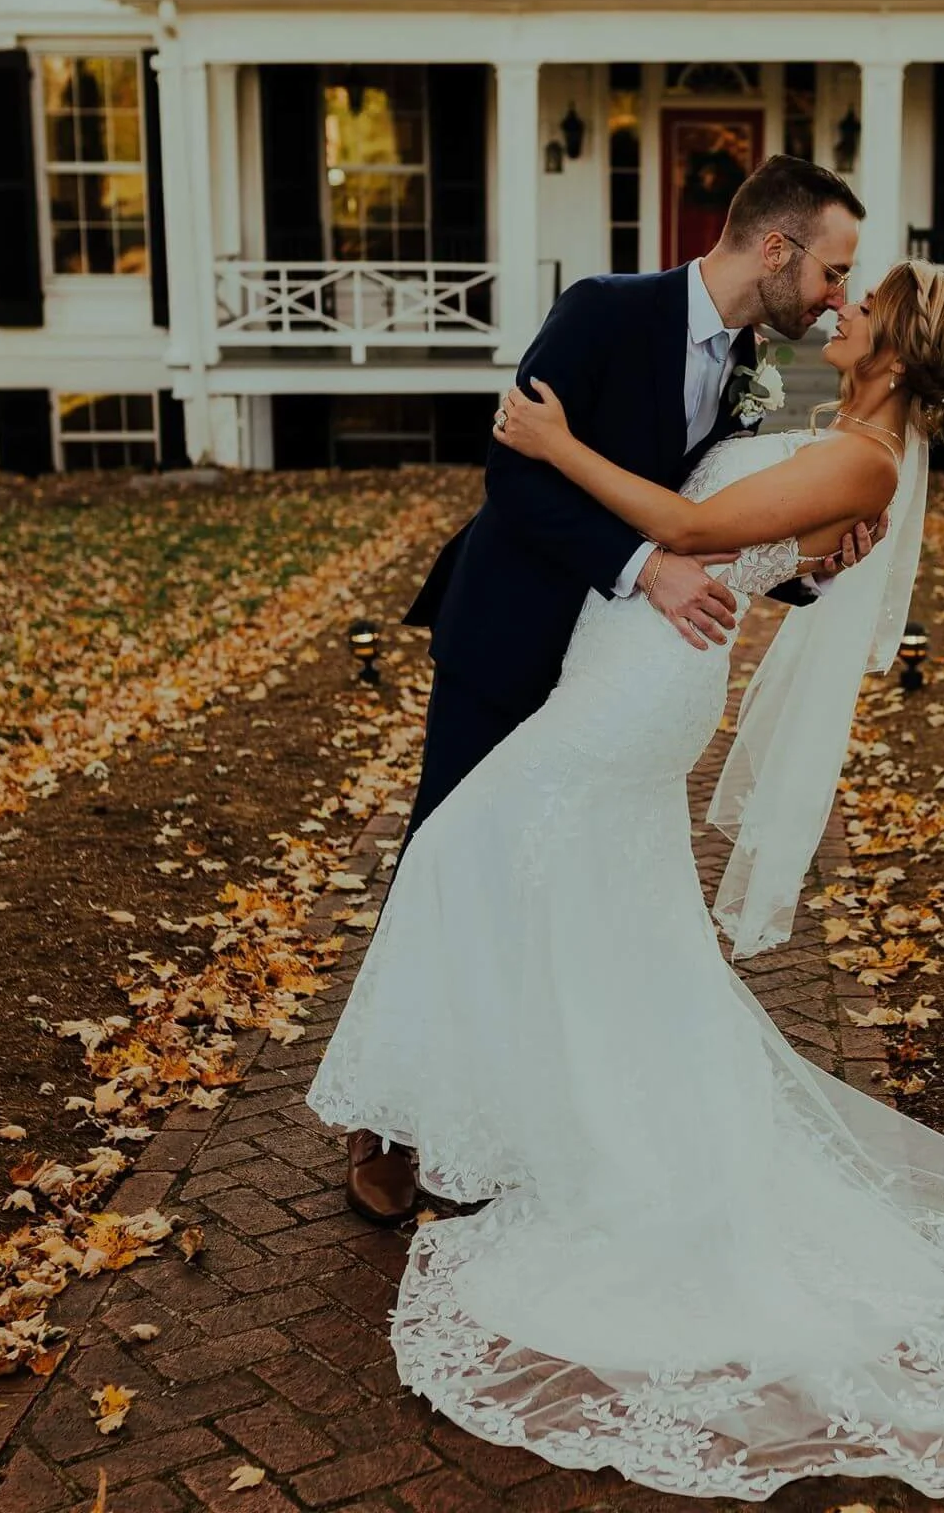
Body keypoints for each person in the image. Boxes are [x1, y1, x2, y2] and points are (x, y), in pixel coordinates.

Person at [306, 259, 944, 1500]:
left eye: (865, 300)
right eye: (839, 276)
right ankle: (525, 1109)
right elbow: (749, 533)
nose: (841, 308)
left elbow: (687, 532)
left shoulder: (866, 460)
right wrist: (802, 562)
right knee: (586, 908)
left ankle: (486, 1118)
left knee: (466, 852)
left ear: (896, 352)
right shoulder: (837, 439)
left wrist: (555, 439)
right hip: (617, 659)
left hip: (642, 683)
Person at [342, 156, 882, 1223]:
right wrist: (646, 565)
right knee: (449, 851)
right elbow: (517, 477)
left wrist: (809, 568)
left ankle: (504, 1104)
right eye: (831, 270)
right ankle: (387, 1123)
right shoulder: (602, 311)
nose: (834, 297)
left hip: (617, 664)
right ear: (774, 247)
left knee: (552, 879)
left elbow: (728, 521)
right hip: (511, 631)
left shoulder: (746, 363)